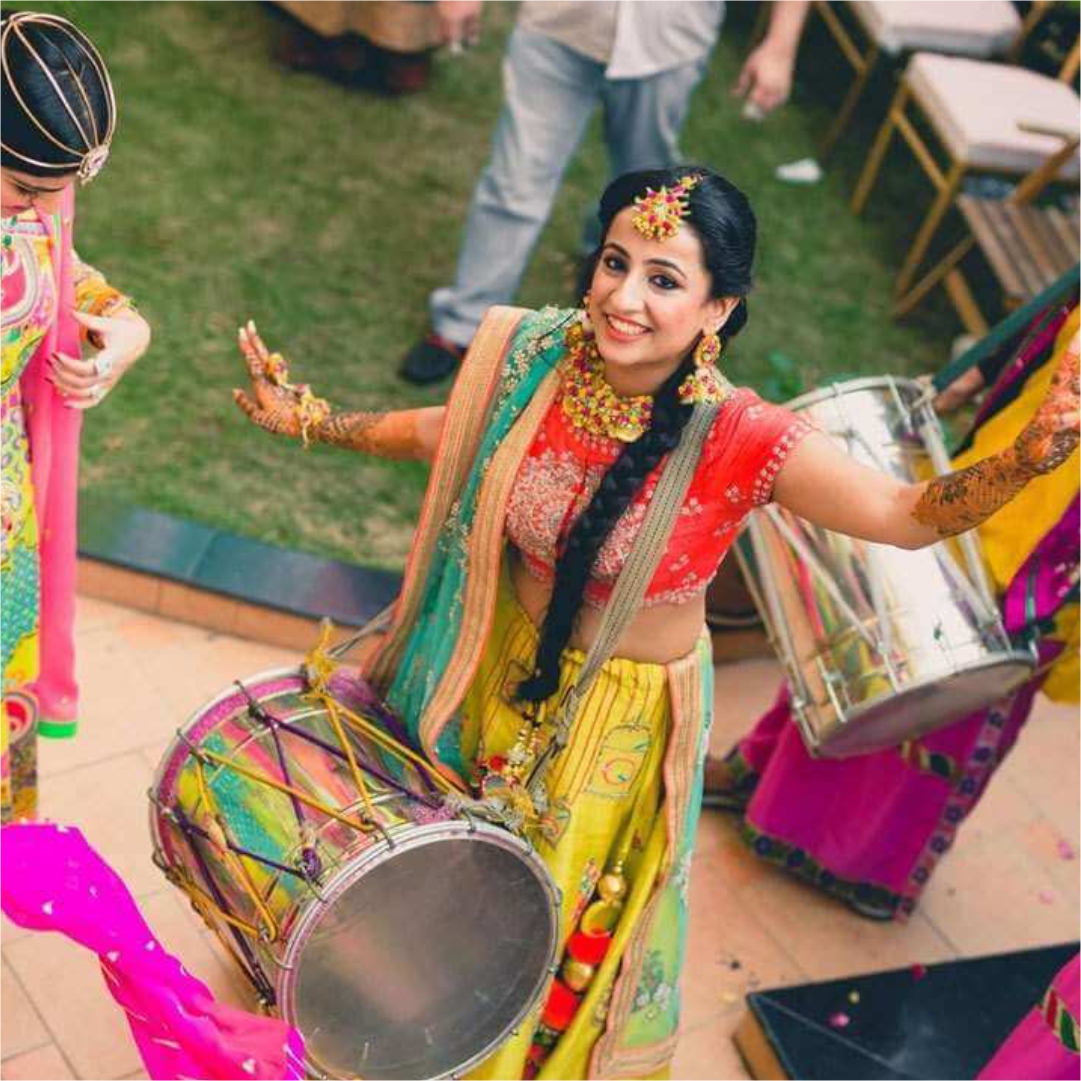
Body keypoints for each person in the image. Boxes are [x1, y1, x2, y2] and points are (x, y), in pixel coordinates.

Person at [233, 166, 1078, 1079]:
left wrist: (1026, 460)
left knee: (538, 918)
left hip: (612, 726)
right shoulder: (542, 357)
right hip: (490, 667)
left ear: (719, 309)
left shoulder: (742, 437)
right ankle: (395, 1024)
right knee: (445, 879)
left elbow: (905, 514)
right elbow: (451, 425)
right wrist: (316, 421)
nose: (621, 298)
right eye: (613, 262)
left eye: (663, 279)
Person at [701, 298, 1080, 921]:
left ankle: (865, 864)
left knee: (961, 690)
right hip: (1017, 465)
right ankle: (761, 779)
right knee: (881, 631)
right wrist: (983, 370)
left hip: (1056, 551)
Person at [400, 0, 810, 385]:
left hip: (667, 39)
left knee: (651, 196)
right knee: (515, 182)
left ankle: (605, 262)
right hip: (560, 24)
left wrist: (780, 45)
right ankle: (465, 323)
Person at [1, 10, 152, 822]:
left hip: (7, 515)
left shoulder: (28, 210)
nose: (44, 208)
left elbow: (59, 264)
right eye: (28, 187)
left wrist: (124, 326)